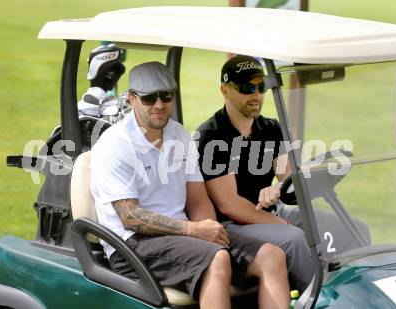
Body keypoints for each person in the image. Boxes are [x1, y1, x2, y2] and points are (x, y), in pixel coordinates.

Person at [91, 61, 291, 309]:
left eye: (166, 96)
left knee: (271, 256)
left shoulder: (179, 136)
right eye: (149, 98)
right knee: (216, 259)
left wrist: (210, 229)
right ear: (132, 98)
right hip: (132, 244)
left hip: (182, 236)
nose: (159, 105)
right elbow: (130, 217)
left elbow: (197, 200)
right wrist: (193, 231)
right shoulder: (115, 145)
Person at [196, 55, 314, 293]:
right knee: (294, 238)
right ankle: (319, 299)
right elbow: (229, 205)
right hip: (231, 224)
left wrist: (277, 188)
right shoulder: (213, 136)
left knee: (342, 225)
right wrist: (278, 223)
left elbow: (288, 176)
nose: (257, 95)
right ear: (225, 90)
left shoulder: (270, 128)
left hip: (268, 212)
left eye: (262, 87)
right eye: (247, 88)